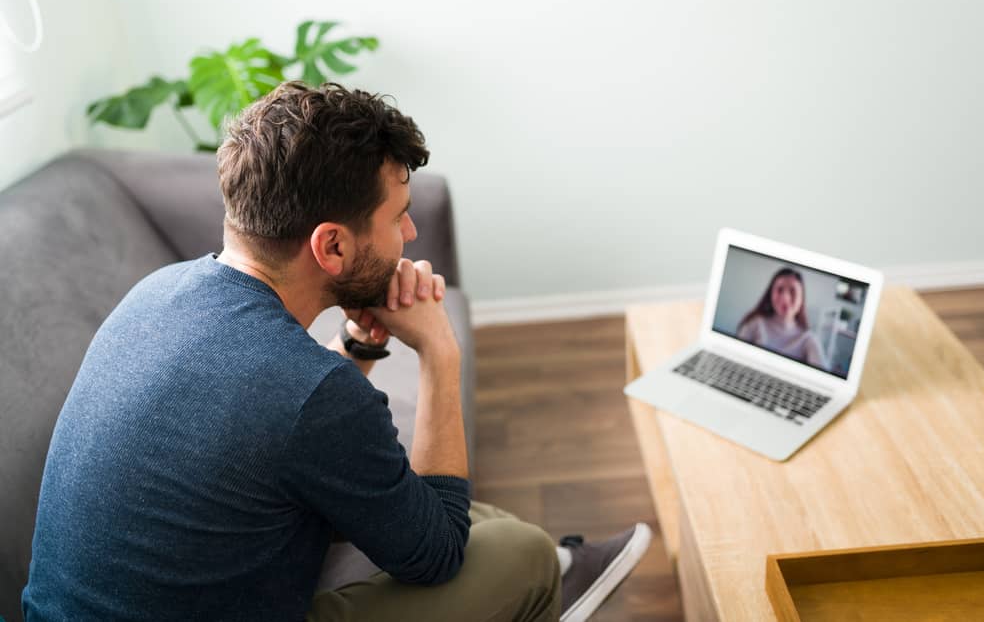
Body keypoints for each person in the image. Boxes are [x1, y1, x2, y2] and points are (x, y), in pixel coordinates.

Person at [22, 81, 650, 622]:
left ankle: (555, 567)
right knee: (520, 554)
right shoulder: (314, 393)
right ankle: (552, 575)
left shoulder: (158, 292)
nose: (410, 232)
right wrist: (438, 353)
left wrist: (359, 343)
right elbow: (436, 557)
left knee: (421, 499)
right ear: (333, 247)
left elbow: (277, 420)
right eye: (398, 216)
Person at [736, 267, 829, 370]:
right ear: (770, 294)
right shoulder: (756, 323)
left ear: (801, 299)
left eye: (793, 291)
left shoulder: (808, 340)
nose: (785, 298)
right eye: (779, 290)